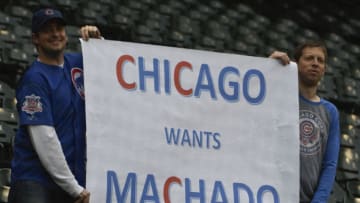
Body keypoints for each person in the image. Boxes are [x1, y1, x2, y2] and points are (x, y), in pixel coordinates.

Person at [8, 7, 102, 203]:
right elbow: (45, 139)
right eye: (47, 30)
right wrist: (74, 188)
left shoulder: (77, 63)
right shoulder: (34, 79)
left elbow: (109, 69)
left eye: (59, 28)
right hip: (35, 180)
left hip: (72, 179)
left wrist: (97, 41)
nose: (55, 34)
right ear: (35, 38)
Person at [270, 41, 340, 203]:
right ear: (297, 63)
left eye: (320, 60)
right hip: (273, 195)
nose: (315, 63)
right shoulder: (280, 98)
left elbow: (329, 164)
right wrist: (269, 68)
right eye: (309, 58)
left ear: (324, 69)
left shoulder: (331, 112)